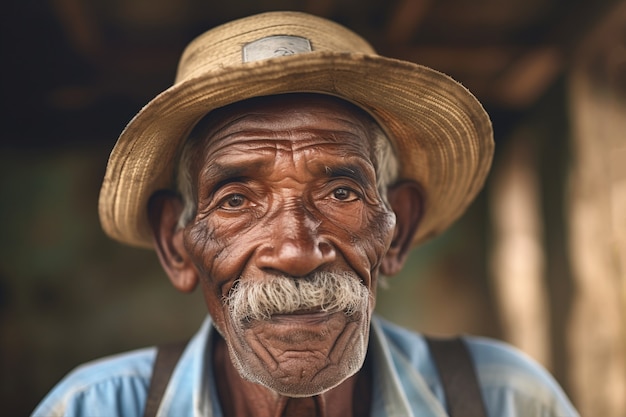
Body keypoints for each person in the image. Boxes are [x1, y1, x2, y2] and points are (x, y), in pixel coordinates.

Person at [32, 11, 579, 417]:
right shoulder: (92, 408)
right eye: (236, 201)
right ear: (176, 244)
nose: (295, 250)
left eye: (341, 193)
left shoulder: (508, 400)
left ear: (399, 230)